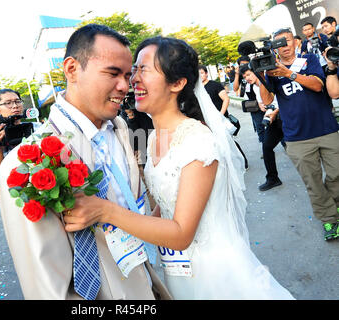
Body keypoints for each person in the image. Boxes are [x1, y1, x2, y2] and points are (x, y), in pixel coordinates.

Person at [65, 36, 295, 300]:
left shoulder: (198, 140)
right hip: (178, 274)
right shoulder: (152, 138)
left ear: (177, 83)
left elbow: (182, 233)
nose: (133, 80)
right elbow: (165, 206)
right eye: (135, 70)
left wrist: (106, 212)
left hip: (215, 276)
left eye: (145, 70)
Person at [0, 24, 171, 300]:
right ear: (71, 69)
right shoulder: (27, 163)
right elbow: (47, 288)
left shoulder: (121, 129)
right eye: (112, 73)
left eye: (128, 75)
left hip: (148, 282)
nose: (125, 86)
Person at [259, 28, 339, 241]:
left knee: (337, 173)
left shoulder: (309, 59)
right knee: (312, 181)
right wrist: (262, 76)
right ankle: (329, 219)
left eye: (286, 41)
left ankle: (335, 205)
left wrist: (289, 74)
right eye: (278, 44)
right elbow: (267, 101)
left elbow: (317, 85)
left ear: (294, 41)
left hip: (326, 129)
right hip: (296, 138)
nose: (283, 47)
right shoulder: (271, 69)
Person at [0, 89, 38, 188]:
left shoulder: (36, 128)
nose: (15, 106)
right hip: (11, 195)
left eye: (18, 101)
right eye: (8, 103)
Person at [240, 64, 285, 191]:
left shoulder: (268, 81)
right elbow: (267, 103)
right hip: (273, 119)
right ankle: (273, 179)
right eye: (244, 77)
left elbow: (281, 100)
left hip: (286, 117)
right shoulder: (254, 87)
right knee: (266, 147)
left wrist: (273, 111)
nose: (247, 78)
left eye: (248, 74)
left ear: (256, 72)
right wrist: (263, 107)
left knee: (294, 148)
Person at [199, 65, 248, 169]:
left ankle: (243, 161)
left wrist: (220, 114)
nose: (200, 76)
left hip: (220, 118)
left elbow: (226, 99)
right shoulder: (197, 89)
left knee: (228, 141)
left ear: (206, 73)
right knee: (216, 143)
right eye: (198, 74)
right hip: (207, 121)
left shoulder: (214, 85)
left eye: (202, 73)